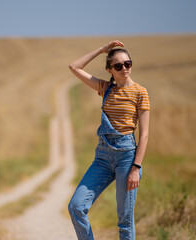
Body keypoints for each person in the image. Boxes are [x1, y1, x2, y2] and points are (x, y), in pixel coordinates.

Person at [68, 40, 150, 240]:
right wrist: (102, 50)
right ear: (109, 69)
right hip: (102, 157)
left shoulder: (140, 92)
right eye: (118, 65)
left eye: (128, 63)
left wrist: (136, 168)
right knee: (76, 206)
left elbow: (145, 134)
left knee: (125, 220)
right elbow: (74, 67)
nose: (124, 68)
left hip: (127, 157)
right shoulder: (106, 88)